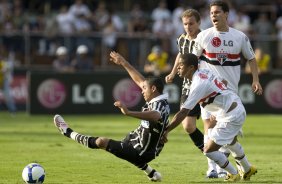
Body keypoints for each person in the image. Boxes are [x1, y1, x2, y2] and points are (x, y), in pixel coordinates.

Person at [53, 51, 170, 181]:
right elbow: (139, 80)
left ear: (153, 89)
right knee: (124, 154)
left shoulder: (159, 105)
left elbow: (155, 115)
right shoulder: (157, 99)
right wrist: (124, 63)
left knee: (102, 142)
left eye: (145, 89)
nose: (142, 91)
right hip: (137, 139)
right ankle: (151, 173)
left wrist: (129, 112)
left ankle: (68, 132)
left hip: (143, 151)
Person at [192, 0, 263, 178]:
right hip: (209, 92)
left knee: (228, 136)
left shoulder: (239, 36)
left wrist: (255, 79)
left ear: (226, 14)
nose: (213, 16)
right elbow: (192, 61)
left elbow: (252, 58)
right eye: (211, 13)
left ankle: (243, 168)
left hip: (229, 93)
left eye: (217, 12)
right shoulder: (204, 36)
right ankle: (215, 170)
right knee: (210, 126)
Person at [162, 53, 257, 182]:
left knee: (208, 150)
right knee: (230, 141)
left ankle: (233, 174)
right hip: (231, 109)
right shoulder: (204, 72)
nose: (177, 68)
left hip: (231, 115)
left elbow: (183, 113)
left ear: (191, 68)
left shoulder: (198, 83)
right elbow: (223, 82)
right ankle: (247, 169)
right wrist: (217, 108)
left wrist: (166, 130)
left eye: (181, 65)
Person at [165, 7, 206, 171]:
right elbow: (180, 56)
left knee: (212, 124)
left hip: (205, 86)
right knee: (188, 126)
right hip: (188, 87)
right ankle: (210, 153)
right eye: (185, 24)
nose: (188, 27)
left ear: (198, 23)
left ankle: (219, 156)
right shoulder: (181, 39)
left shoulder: (205, 38)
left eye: (191, 23)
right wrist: (173, 72)